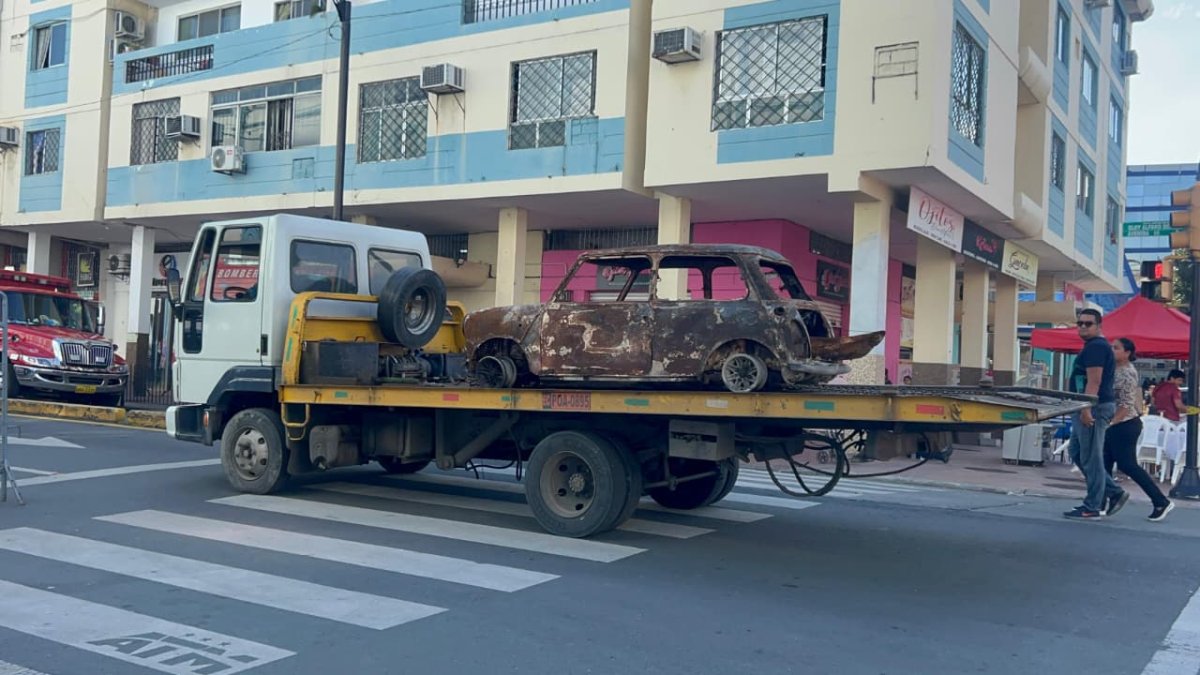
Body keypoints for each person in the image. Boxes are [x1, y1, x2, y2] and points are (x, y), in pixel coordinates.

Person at [1064, 309, 1125, 520]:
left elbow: (1094, 381)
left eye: (1088, 324)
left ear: (1099, 325)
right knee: (1077, 452)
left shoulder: (1097, 347)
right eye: (1079, 323)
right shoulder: (1092, 346)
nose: (1082, 327)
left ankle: (1093, 505)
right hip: (1089, 405)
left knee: (1090, 457)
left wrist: (1085, 408)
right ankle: (1113, 491)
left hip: (1094, 407)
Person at [1104, 338, 1173, 522]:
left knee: (1127, 464)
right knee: (1103, 463)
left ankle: (1160, 500)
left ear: (1127, 352)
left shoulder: (1127, 373)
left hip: (1124, 424)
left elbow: (1126, 404)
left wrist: (1110, 424)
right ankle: (1101, 500)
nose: (1112, 350)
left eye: (1116, 348)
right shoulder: (1114, 369)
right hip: (1115, 422)